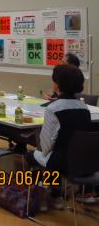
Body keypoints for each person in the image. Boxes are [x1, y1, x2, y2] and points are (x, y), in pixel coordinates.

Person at [27, 64, 90, 210]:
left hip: (62, 162)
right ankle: (56, 196)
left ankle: (41, 197)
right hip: (82, 162)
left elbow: (45, 147)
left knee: (32, 155)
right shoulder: (85, 108)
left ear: (57, 84)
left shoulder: (53, 108)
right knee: (55, 155)